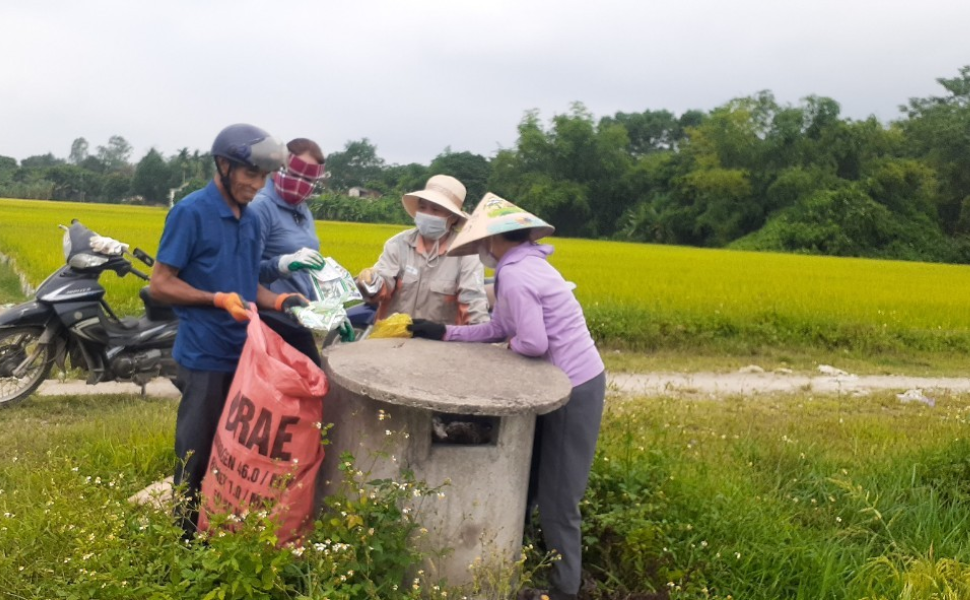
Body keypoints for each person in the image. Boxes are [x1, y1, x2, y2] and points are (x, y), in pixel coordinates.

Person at [407, 193, 606, 600]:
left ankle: (564, 590)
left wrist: (512, 346)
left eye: (482, 242)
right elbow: (499, 328)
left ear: (493, 240)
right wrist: (443, 331)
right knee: (530, 479)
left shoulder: (515, 274)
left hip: (574, 385)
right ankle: (518, 559)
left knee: (558, 496)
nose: (481, 250)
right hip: (559, 381)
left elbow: (531, 343)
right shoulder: (528, 264)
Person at [148, 123, 310, 535]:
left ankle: (222, 527)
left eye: (263, 177)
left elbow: (247, 281)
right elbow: (161, 282)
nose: (257, 185)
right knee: (196, 452)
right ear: (223, 165)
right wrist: (215, 299)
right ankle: (184, 539)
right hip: (204, 355)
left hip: (245, 355)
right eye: (249, 174)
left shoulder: (252, 220)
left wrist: (281, 301)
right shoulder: (191, 212)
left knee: (235, 450)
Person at [355, 175, 489, 325]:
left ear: (453, 218)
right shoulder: (398, 244)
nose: (427, 214)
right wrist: (371, 282)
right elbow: (383, 285)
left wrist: (480, 334)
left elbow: (472, 301)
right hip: (392, 337)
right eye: (422, 207)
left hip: (439, 343)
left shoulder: (466, 254)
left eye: (435, 210)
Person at [249, 138, 328, 365]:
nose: (301, 183)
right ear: (280, 167)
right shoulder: (261, 207)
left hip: (297, 318)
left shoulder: (302, 210)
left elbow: (307, 270)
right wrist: (282, 264)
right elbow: (245, 271)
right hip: (269, 318)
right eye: (296, 174)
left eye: (309, 179)